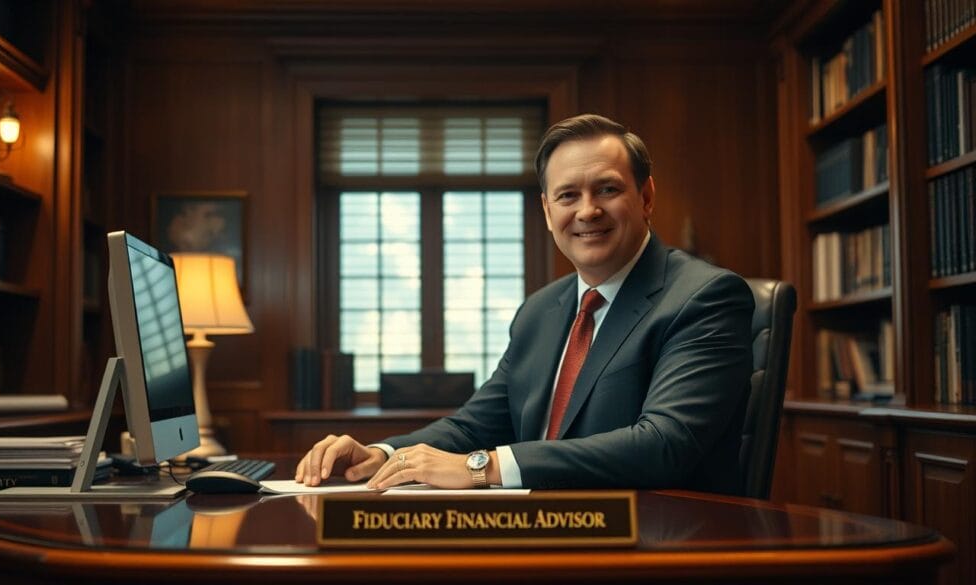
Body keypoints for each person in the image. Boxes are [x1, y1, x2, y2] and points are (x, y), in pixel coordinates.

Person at [296, 114, 754, 494]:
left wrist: (481, 468)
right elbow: (475, 425)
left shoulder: (704, 297)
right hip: (543, 532)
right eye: (568, 195)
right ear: (547, 211)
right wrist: (383, 455)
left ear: (647, 197)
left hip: (660, 544)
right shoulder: (540, 310)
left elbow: (663, 445)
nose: (588, 211)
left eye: (608, 190)